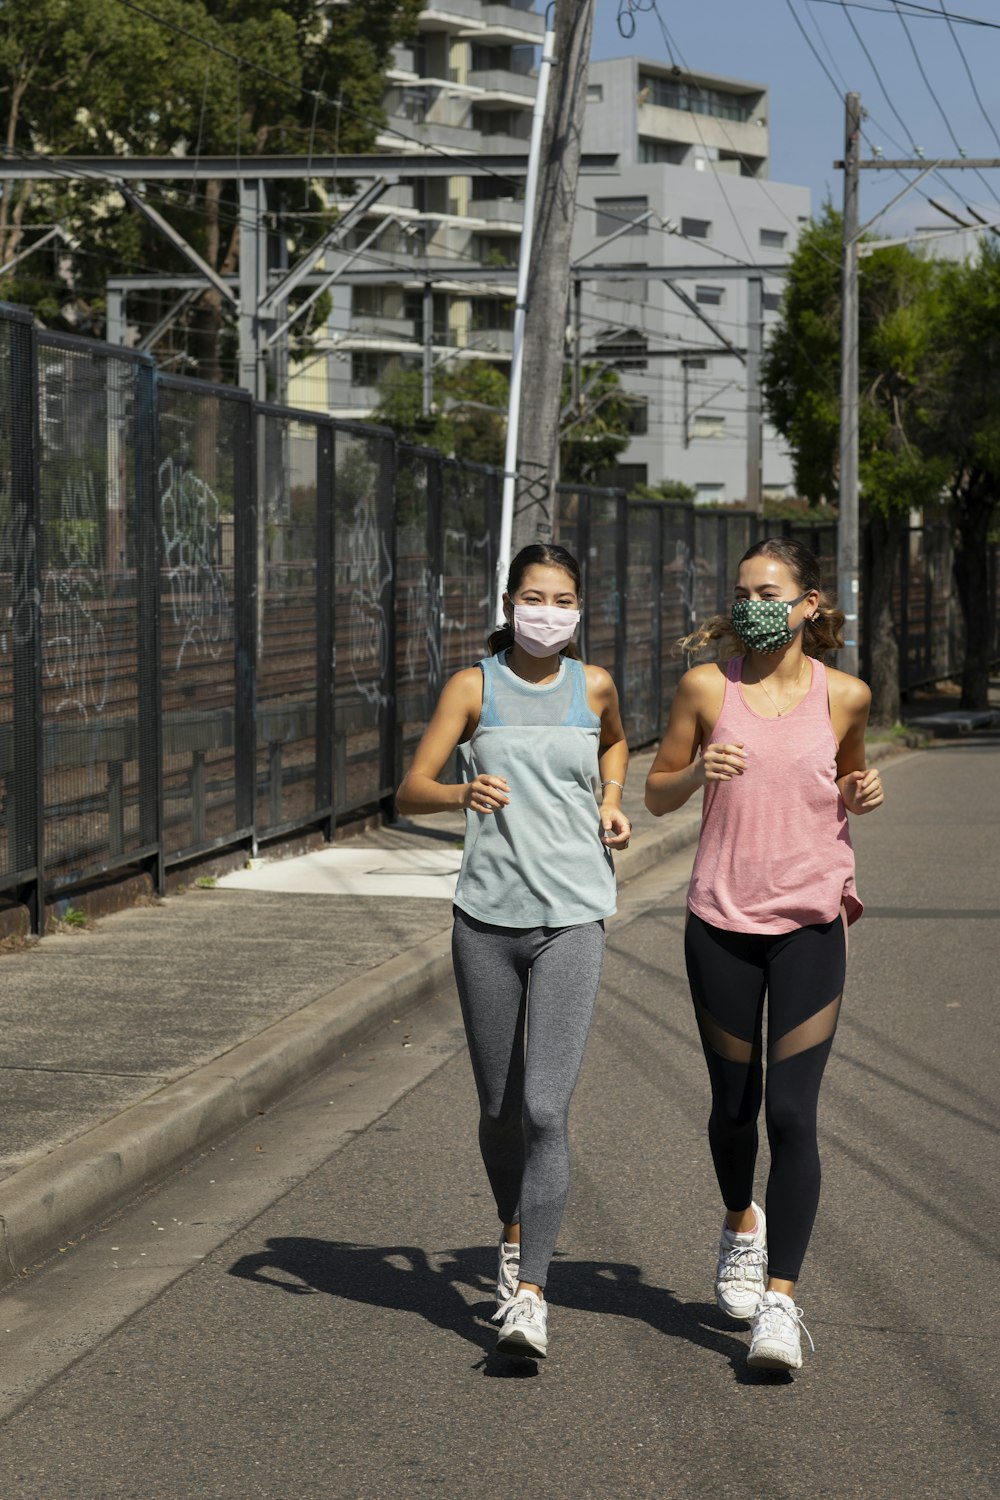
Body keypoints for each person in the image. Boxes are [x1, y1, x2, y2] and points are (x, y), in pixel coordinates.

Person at [644, 537, 884, 1373]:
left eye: (772, 591)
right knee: (734, 1110)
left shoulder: (845, 695)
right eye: (744, 590)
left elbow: (851, 779)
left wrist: (864, 788)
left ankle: (779, 1304)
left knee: (792, 1113)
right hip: (721, 919)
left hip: (812, 921)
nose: (755, 603)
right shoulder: (708, 687)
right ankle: (741, 1222)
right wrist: (698, 769)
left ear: (808, 603)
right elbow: (658, 787)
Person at [396, 542, 631, 1360]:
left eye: (563, 599)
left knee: (545, 1108)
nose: (549, 612)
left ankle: (530, 1293)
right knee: (499, 1109)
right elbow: (411, 788)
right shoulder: (474, 686)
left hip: (573, 913)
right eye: (535, 597)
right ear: (508, 603)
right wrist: (463, 790)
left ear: (578, 609)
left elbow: (614, 744)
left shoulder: (591, 684)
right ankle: (512, 1233)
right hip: (485, 919)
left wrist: (610, 801)